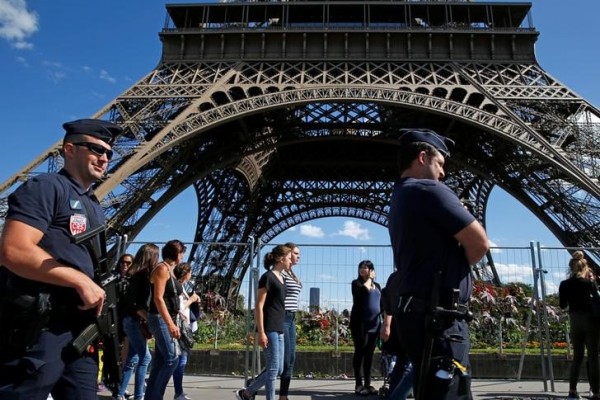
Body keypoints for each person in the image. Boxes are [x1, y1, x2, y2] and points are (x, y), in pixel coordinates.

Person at [0, 118, 122, 399]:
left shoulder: (93, 204)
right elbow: (13, 250)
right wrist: (78, 279)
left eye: (108, 153)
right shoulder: (45, 187)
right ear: (69, 149)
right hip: (41, 328)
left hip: (80, 331)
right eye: (95, 149)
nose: (104, 158)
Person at [388, 128, 488, 400]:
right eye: (440, 164)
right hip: (439, 319)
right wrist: (457, 267)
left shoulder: (400, 195)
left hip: (417, 314)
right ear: (423, 157)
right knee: (450, 393)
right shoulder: (429, 189)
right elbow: (480, 243)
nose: (443, 173)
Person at [235, 244, 292, 400]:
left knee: (278, 369)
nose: (291, 261)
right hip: (269, 327)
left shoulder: (282, 278)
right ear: (281, 259)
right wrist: (261, 332)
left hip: (279, 327)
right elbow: (259, 306)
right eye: (288, 258)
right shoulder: (267, 277)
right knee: (273, 370)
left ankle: (247, 392)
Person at [144, 240, 186, 400]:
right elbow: (158, 299)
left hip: (166, 318)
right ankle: (156, 396)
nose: (182, 256)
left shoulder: (170, 270)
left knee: (160, 364)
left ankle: (151, 397)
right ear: (176, 253)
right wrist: (170, 324)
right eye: (182, 252)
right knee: (172, 360)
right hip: (160, 318)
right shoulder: (162, 269)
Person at [116, 244, 158, 400]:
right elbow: (139, 306)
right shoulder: (142, 276)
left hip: (130, 320)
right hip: (134, 321)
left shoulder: (135, 274)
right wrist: (151, 321)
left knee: (133, 359)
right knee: (145, 358)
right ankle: (139, 396)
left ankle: (120, 394)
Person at [559, 251, 600, 400]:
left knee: (577, 357)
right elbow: (597, 300)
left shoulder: (564, 284)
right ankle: (596, 393)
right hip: (590, 320)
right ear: (584, 268)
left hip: (575, 319)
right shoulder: (589, 284)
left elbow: (563, 305)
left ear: (571, 268)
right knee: (594, 357)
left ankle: (572, 391)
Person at [349, 260, 382, 396]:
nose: (362, 270)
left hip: (374, 324)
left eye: (365, 267)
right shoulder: (356, 284)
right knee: (360, 353)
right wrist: (369, 279)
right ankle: (358, 384)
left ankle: (368, 384)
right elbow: (363, 292)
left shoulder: (378, 286)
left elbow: (381, 303)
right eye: (361, 267)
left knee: (369, 354)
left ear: (371, 269)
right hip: (360, 324)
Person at [172, 262, 201, 400]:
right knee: (179, 361)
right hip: (179, 328)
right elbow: (179, 307)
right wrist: (192, 299)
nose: (191, 275)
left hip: (184, 327)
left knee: (179, 361)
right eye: (190, 272)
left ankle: (178, 392)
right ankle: (178, 392)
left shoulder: (181, 287)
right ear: (186, 273)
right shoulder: (177, 287)